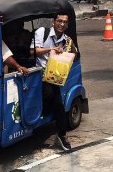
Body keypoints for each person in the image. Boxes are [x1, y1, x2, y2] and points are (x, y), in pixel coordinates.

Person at [30, 13, 78, 151]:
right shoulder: (42, 32)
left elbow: (74, 55)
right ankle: (42, 116)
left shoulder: (65, 39)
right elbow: (33, 51)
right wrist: (52, 49)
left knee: (58, 103)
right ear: (53, 22)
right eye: (59, 21)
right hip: (39, 74)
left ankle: (62, 135)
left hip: (54, 76)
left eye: (65, 22)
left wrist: (72, 45)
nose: (62, 24)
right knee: (50, 96)